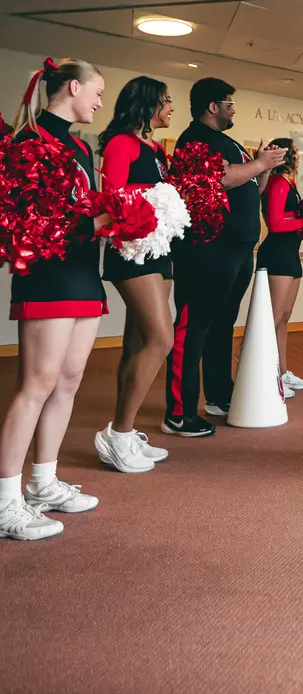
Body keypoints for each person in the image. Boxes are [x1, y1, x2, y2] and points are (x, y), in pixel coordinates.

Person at [0, 59, 106, 541]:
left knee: (68, 380)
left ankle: (43, 483)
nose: (100, 103)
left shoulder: (81, 146)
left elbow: (83, 210)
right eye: (97, 93)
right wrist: (100, 224)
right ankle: (5, 502)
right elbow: (28, 221)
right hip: (47, 275)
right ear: (73, 86)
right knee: (36, 384)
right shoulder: (29, 141)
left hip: (84, 271)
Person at [163, 78, 285, 437]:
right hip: (208, 248)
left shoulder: (228, 142)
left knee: (221, 325)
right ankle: (179, 412)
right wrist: (258, 163)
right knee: (193, 327)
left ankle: (218, 395)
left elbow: (249, 185)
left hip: (237, 247)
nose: (234, 109)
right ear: (213, 106)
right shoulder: (195, 138)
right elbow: (220, 178)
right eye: (229, 103)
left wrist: (265, 168)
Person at [93, 77, 174, 473]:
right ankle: (119, 435)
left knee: (138, 342)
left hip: (160, 249)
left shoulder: (156, 148)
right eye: (166, 101)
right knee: (162, 338)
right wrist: (155, 198)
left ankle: (122, 432)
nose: (171, 108)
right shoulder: (120, 144)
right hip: (133, 250)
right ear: (148, 105)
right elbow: (114, 198)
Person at [256, 138, 303, 399]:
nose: (299, 156)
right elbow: (276, 223)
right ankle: (262, 373)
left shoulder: (290, 183)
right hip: (277, 254)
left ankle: (282, 371)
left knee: (284, 316)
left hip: (291, 254)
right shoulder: (279, 182)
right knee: (273, 317)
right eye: (296, 152)